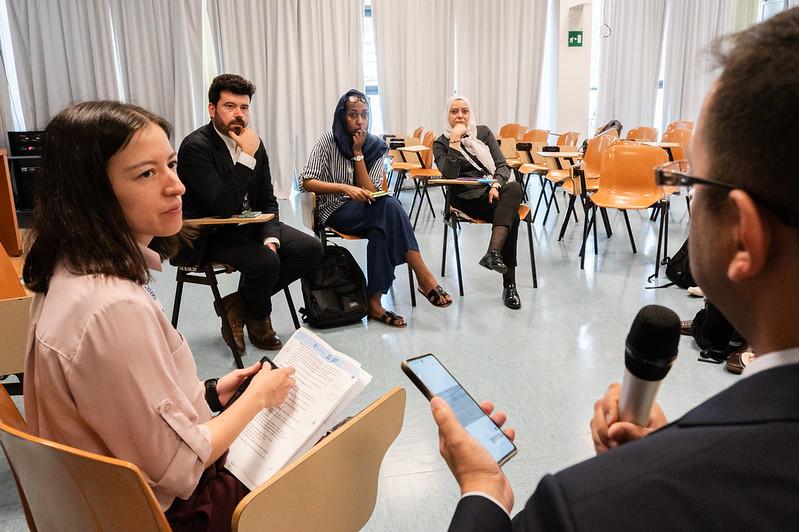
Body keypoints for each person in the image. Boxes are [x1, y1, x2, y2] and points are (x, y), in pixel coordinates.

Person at [431, 9, 799, 530]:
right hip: (469, 196)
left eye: (691, 181)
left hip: (497, 192)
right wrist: (659, 455)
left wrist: (482, 492)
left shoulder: (582, 509)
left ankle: (500, 258)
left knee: (509, 196)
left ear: (744, 235)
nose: (682, 195)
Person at [22, 101, 297, 531]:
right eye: (146, 174)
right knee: (323, 445)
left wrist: (210, 394)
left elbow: (127, 407)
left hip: (102, 503)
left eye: (170, 165)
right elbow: (181, 468)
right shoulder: (111, 307)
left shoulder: (68, 270)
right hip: (163, 515)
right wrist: (259, 398)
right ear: (92, 193)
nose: (177, 186)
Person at [178, 74, 323, 352]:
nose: (238, 115)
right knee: (266, 264)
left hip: (248, 227)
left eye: (244, 108)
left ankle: (237, 305)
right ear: (212, 109)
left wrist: (271, 238)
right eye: (229, 106)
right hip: (210, 233)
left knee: (311, 249)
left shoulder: (255, 143)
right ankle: (259, 317)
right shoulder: (195, 147)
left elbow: (268, 201)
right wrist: (245, 157)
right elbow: (223, 207)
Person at [298, 89, 451, 328]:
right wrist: (343, 188)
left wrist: (358, 154)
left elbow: (371, 191)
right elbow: (306, 181)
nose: (360, 121)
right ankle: (424, 276)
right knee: (389, 207)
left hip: (368, 210)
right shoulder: (327, 141)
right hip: (335, 210)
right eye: (353, 115)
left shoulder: (374, 146)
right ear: (342, 117)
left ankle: (375, 303)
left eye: (364, 115)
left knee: (382, 224)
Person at [432, 96, 524, 310]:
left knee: (515, 187)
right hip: (465, 199)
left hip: (493, 194)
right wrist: (455, 141)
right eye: (454, 111)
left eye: (464, 110)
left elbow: (502, 166)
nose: (460, 115)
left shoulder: (483, 133)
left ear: (470, 113)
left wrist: (496, 185)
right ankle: (509, 284)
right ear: (447, 115)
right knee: (512, 216)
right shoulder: (440, 142)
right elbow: (449, 174)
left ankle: (493, 253)